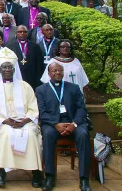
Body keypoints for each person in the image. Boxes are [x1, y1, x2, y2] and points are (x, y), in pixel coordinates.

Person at [0, 49, 44, 188]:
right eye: (4, 67)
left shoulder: (25, 86)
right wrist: (5, 121)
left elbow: (33, 109)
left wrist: (25, 120)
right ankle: (1, 171)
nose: (7, 69)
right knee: (5, 134)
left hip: (25, 121)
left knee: (30, 134)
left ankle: (36, 171)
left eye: (10, 67)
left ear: (14, 69)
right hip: (4, 122)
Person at [37, 63, 92, 191]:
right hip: (52, 123)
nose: (57, 73)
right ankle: (50, 176)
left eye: (60, 70)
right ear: (49, 73)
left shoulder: (73, 87)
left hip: (74, 122)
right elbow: (42, 112)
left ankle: (84, 179)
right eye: (54, 70)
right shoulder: (41, 90)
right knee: (49, 135)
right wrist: (56, 124)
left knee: (83, 135)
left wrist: (74, 124)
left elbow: (81, 109)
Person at [6, 25, 44, 90]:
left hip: (32, 79)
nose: (22, 34)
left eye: (25, 32)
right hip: (16, 78)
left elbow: (39, 66)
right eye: (20, 32)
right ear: (16, 33)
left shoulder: (35, 46)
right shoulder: (10, 47)